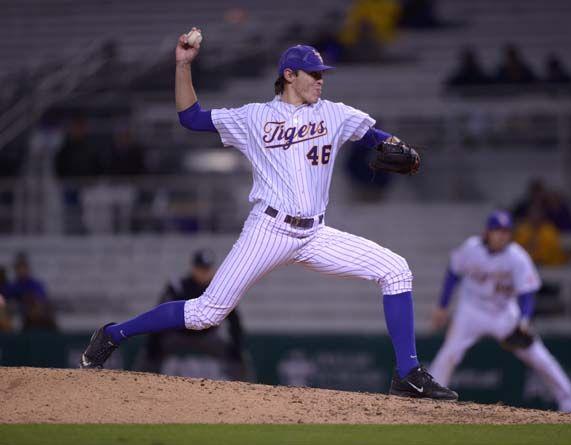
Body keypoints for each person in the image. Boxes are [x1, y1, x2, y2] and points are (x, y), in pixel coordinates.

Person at [79, 30, 457, 400]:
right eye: (314, 74)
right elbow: (191, 118)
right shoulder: (253, 117)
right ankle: (114, 334)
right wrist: (182, 66)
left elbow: (372, 134)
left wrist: (397, 144)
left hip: (315, 235)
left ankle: (408, 375)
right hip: (269, 229)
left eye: (323, 74)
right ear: (289, 76)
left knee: (395, 270)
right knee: (204, 314)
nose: (321, 81)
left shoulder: (335, 114)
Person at [428, 211, 571, 412]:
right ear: (487, 232)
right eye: (497, 230)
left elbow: (527, 293)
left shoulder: (517, 257)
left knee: (539, 356)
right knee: (448, 355)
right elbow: (453, 273)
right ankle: (429, 403)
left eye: (505, 231)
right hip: (471, 309)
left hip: (503, 312)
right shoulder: (471, 248)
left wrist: (524, 320)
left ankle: (570, 403)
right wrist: (442, 306)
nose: (501, 235)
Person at [139, 249, 250, 380]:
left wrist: (236, 347)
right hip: (178, 334)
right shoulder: (178, 286)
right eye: (201, 268)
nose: (204, 273)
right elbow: (160, 314)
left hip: (208, 335)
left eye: (207, 269)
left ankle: (243, 390)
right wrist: (154, 345)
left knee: (237, 357)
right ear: (193, 268)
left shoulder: (221, 289)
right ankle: (141, 382)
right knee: (150, 353)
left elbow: (234, 321)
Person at [8, 252, 58, 331]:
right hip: (23, 315)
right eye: (19, 268)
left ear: (28, 269)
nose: (21, 271)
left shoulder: (35, 284)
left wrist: (33, 303)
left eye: (23, 268)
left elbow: (41, 299)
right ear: (16, 269)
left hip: (37, 314)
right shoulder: (12, 286)